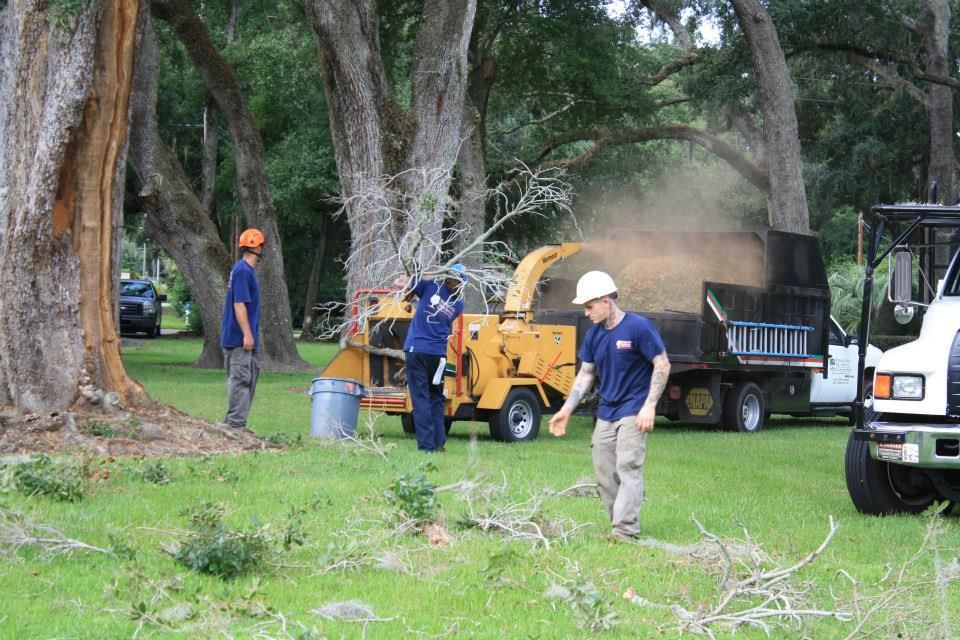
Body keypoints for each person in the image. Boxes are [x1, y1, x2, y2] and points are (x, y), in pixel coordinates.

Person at [548, 270, 671, 540]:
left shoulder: (639, 327)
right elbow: (586, 374)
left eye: (589, 306)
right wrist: (567, 409)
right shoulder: (594, 336)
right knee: (604, 473)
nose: (586, 312)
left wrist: (649, 406)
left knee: (628, 466)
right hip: (606, 411)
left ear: (606, 301)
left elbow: (662, 364)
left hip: (633, 410)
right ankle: (618, 522)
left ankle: (624, 532)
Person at [394, 264, 467, 452]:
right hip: (438, 355)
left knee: (420, 399)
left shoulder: (431, 286)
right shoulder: (458, 304)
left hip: (416, 350)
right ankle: (439, 442)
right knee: (436, 397)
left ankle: (426, 446)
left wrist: (411, 278)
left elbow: (405, 285)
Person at [221, 228, 265, 430]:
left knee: (250, 378)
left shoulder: (246, 271)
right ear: (257, 246)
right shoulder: (242, 271)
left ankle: (239, 422)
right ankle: (235, 425)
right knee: (240, 379)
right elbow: (239, 304)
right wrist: (247, 334)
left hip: (248, 338)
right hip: (240, 338)